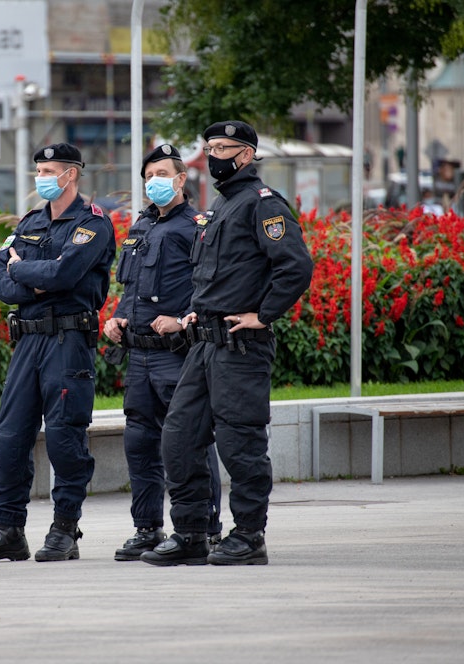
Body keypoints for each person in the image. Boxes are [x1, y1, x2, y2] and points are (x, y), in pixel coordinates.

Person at [141, 120, 312, 567]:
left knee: (241, 445)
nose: (214, 154)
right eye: (210, 146)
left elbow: (294, 266)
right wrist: (200, 308)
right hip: (203, 345)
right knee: (178, 439)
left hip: (240, 347)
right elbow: (217, 273)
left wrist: (263, 313)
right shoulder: (220, 206)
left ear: (247, 155)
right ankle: (192, 533)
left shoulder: (262, 204)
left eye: (224, 147)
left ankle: (250, 536)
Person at [0, 143, 115, 563]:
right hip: (28, 342)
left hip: (67, 342)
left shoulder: (92, 224)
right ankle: (8, 530)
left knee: (66, 439)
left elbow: (66, 273)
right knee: (10, 438)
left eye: (49, 170)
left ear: (72, 174)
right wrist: (34, 278)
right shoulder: (30, 222)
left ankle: (65, 530)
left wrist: (22, 270)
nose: (41, 177)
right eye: (38, 170)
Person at [103, 144, 224, 561]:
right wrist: (116, 318)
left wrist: (184, 318)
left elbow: (211, 286)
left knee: (189, 440)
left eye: (161, 174)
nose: (153, 181)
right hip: (139, 355)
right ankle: (147, 528)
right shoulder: (142, 227)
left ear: (180, 179)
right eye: (148, 175)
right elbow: (131, 288)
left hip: (178, 354)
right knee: (140, 443)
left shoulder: (196, 226)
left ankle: (205, 530)